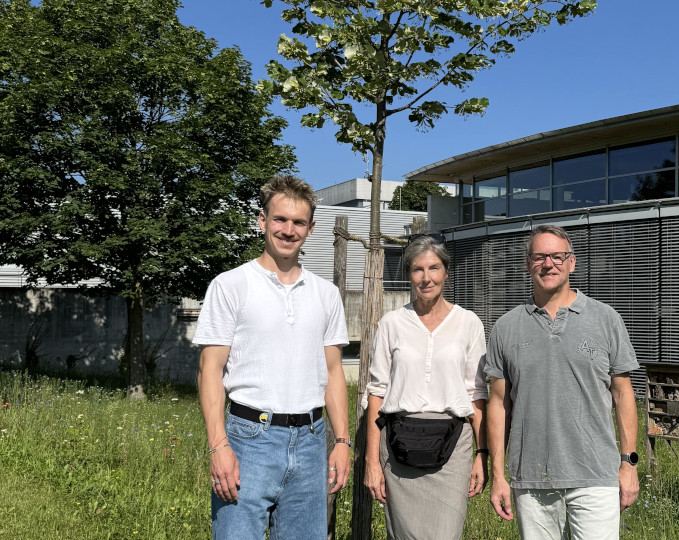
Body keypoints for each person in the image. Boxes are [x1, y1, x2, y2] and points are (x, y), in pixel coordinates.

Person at [194, 174, 351, 539]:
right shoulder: (230, 285)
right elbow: (210, 370)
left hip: (312, 442)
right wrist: (218, 446)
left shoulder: (326, 294)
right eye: (280, 219)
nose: (288, 230)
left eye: (298, 222)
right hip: (249, 441)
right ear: (262, 221)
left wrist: (342, 442)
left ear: (310, 229)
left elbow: (333, 371)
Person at [486, 225, 641, 540]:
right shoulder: (506, 327)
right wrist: (498, 476)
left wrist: (629, 464)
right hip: (530, 478)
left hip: (597, 474)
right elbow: (499, 404)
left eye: (557, 256)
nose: (548, 264)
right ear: (528, 263)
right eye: (540, 257)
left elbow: (624, 395)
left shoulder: (606, 319)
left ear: (572, 262)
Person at [363, 234, 489, 540]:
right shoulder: (391, 323)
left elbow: (477, 395)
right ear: (408, 274)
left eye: (434, 268)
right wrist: (371, 462)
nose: (426, 277)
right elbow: (376, 391)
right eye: (418, 269)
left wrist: (482, 455)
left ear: (446, 271)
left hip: (453, 444)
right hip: (397, 446)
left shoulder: (468, 323)